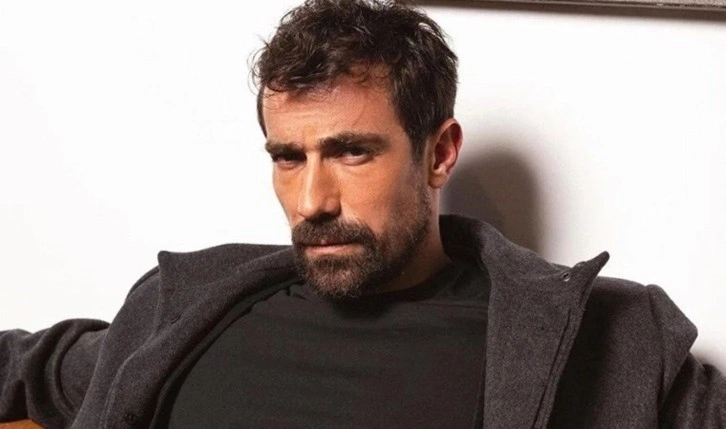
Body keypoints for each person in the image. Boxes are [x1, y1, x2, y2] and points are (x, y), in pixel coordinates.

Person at [1, 0, 725, 427]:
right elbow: (29, 366)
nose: (311, 202)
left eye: (351, 153)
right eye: (288, 158)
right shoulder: (186, 311)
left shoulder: (601, 341)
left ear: (439, 153)